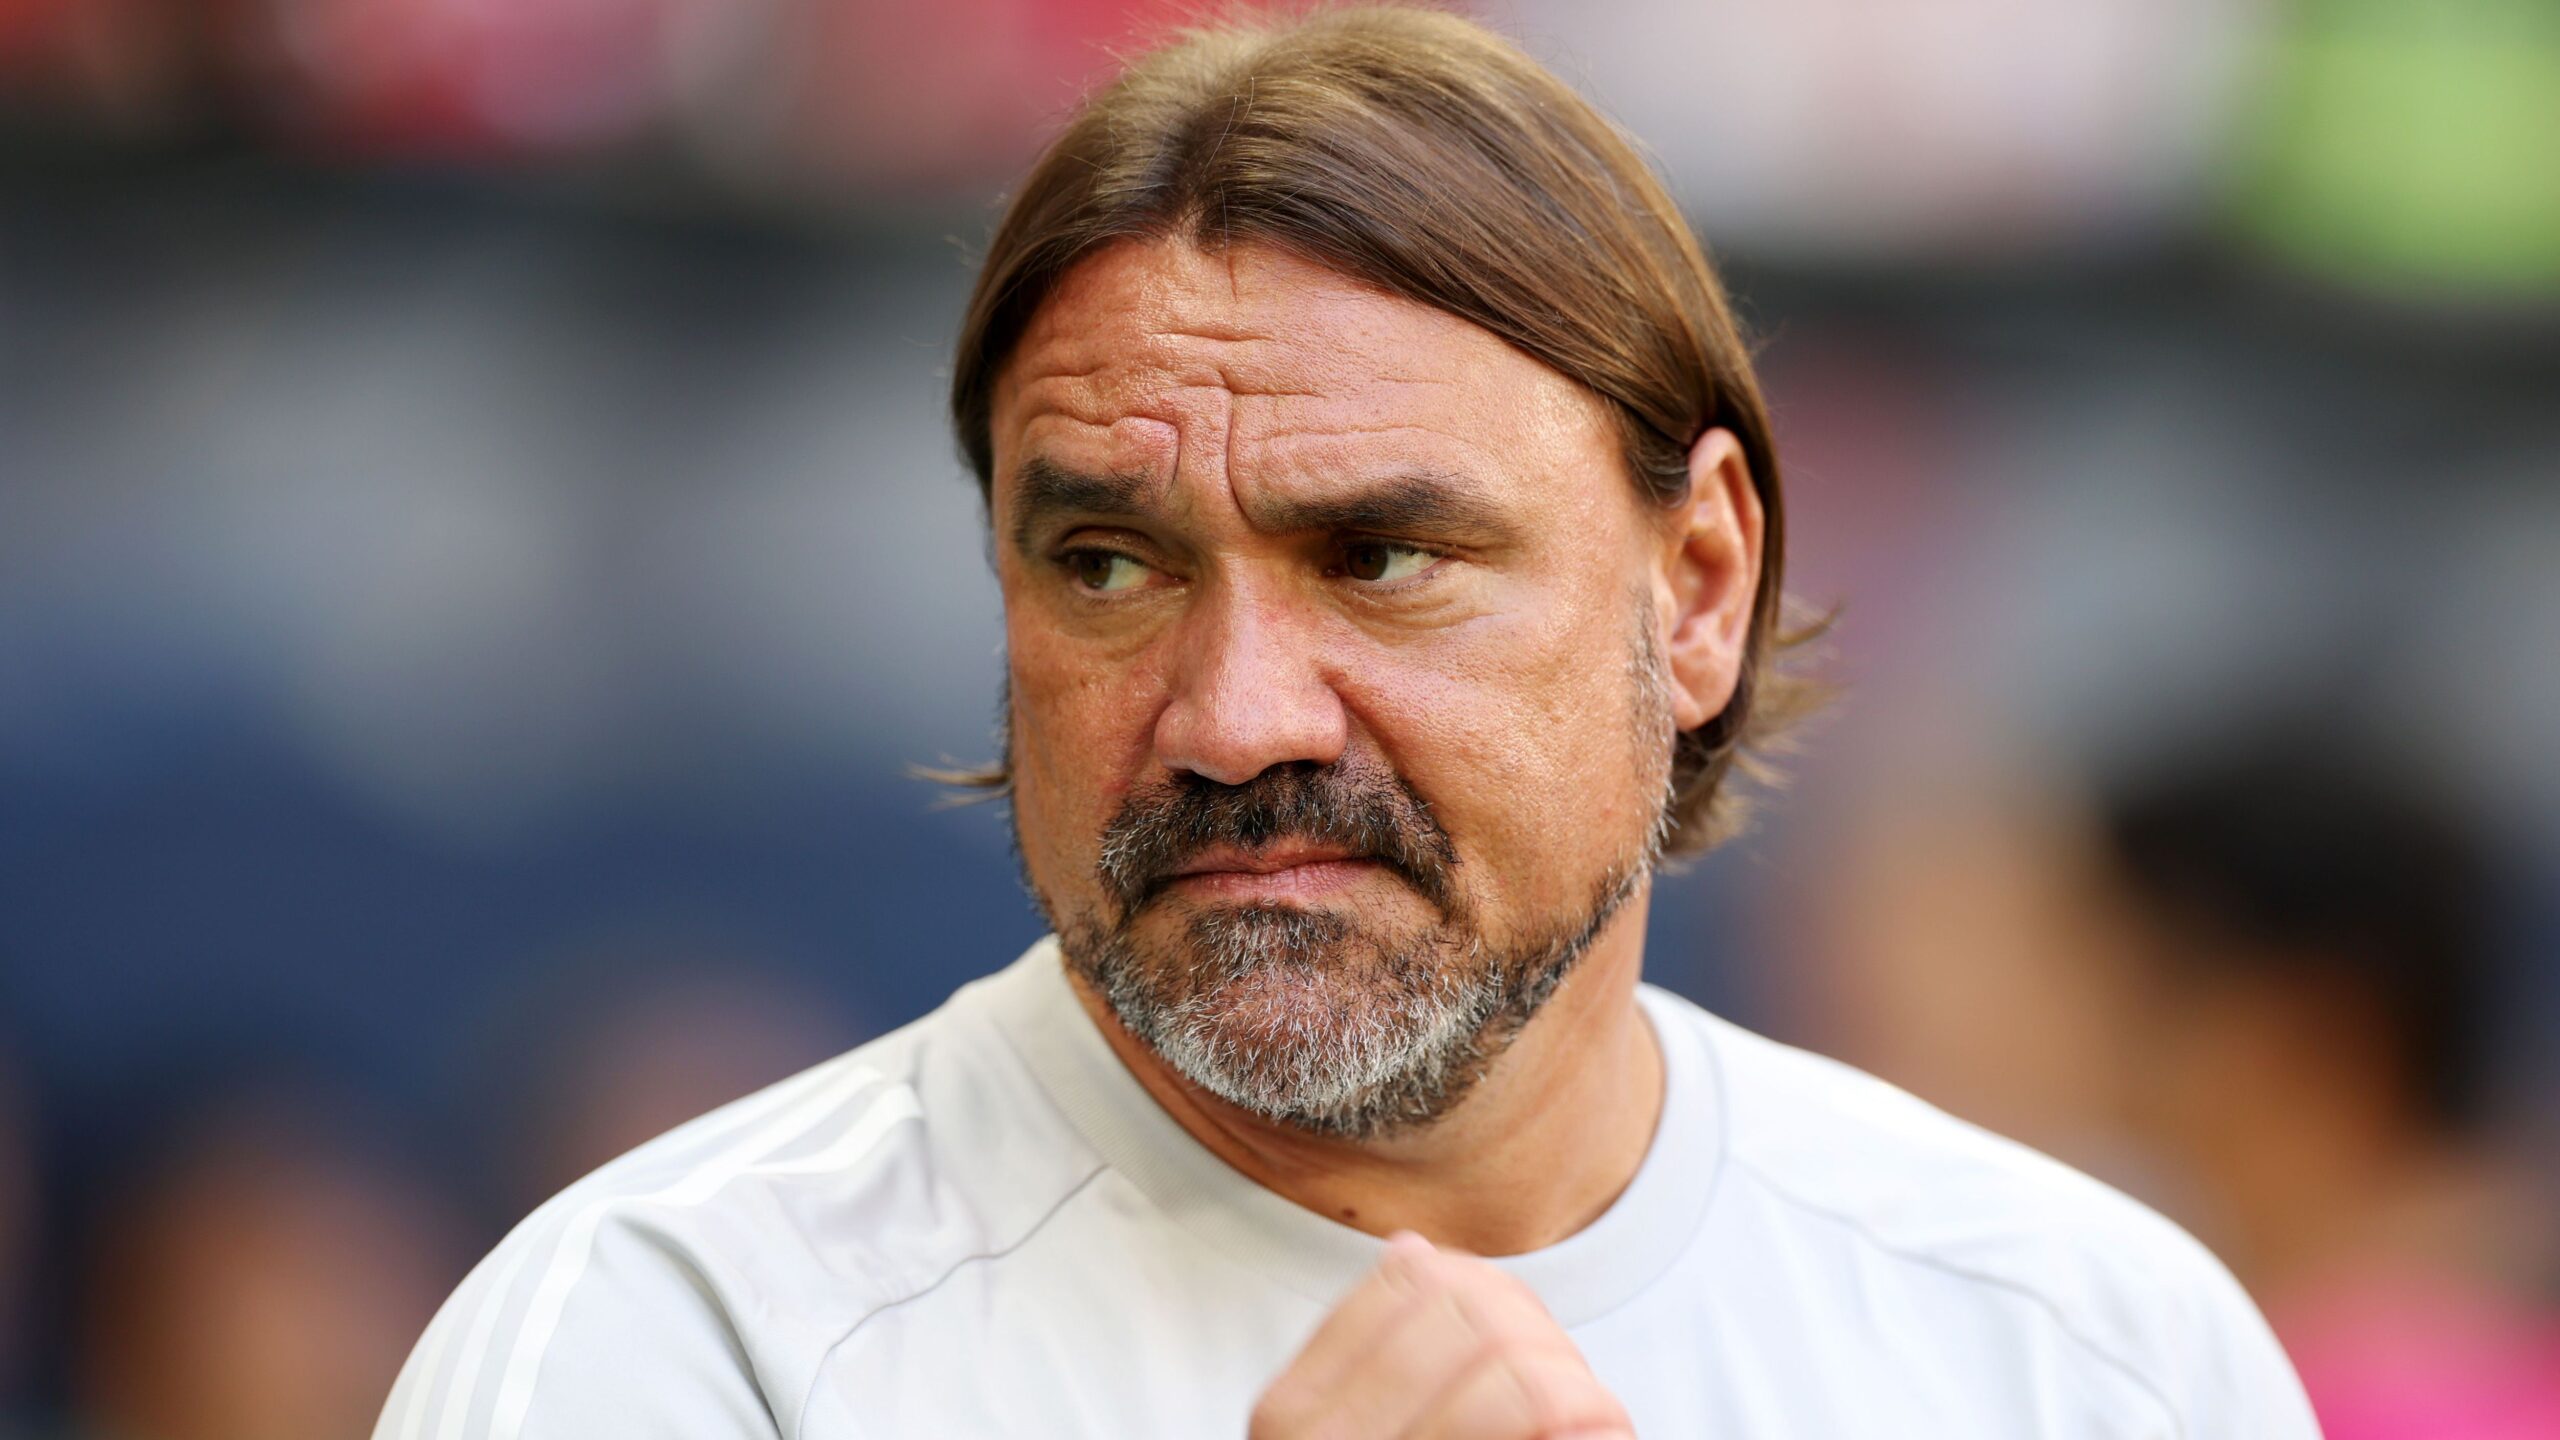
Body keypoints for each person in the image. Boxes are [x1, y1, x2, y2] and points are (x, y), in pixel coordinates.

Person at [376, 9, 2320, 1436]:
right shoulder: (676, 1347)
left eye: (1382, 557)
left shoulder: (2089, 1359)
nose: (1231, 721)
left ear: (1698, 590)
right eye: (1108, 565)